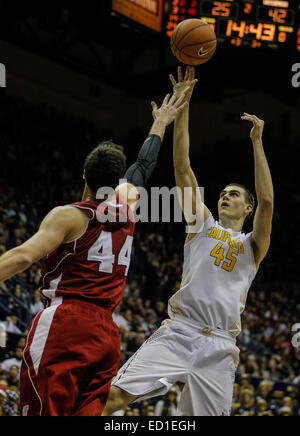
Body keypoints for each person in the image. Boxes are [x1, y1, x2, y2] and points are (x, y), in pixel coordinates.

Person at [0, 91, 189, 416]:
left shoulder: (69, 215)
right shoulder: (127, 206)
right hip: (106, 334)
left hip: (65, 322)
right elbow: (143, 166)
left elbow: (22, 256)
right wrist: (159, 124)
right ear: (115, 181)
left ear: (84, 175)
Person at [102, 66, 274, 416]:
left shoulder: (253, 246)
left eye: (234, 194)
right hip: (180, 331)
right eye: (223, 193)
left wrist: (256, 142)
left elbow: (269, 202)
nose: (225, 197)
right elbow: (183, 168)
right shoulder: (202, 223)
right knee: (112, 400)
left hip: (222, 346)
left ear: (248, 206)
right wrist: (185, 107)